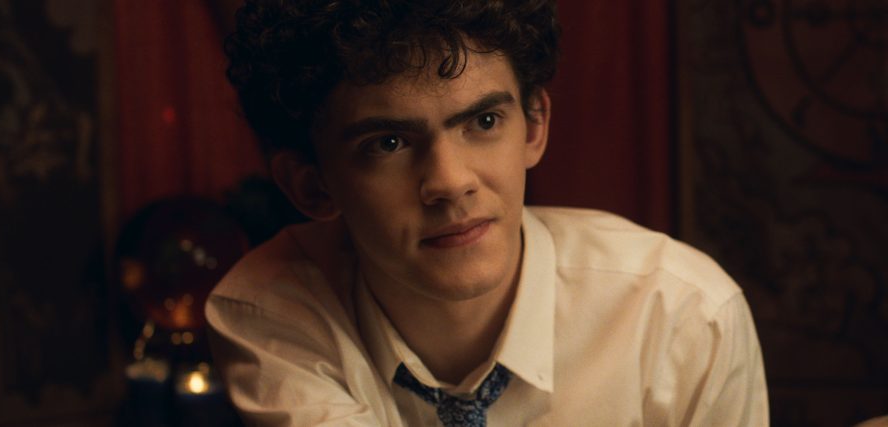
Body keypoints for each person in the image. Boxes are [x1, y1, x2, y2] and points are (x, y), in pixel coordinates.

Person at [205, 0, 769, 425]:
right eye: (389, 144)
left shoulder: (682, 316)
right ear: (312, 186)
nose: (450, 183)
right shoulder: (268, 307)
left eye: (483, 122)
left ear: (535, 125)